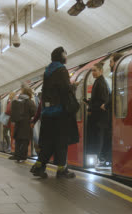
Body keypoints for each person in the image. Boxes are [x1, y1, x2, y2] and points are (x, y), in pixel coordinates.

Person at [30, 47, 78, 179]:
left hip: (47, 113)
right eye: (65, 54)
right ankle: (62, 170)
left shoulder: (48, 71)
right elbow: (64, 89)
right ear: (61, 56)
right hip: (59, 112)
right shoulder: (61, 70)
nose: (66, 56)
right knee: (61, 142)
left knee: (48, 142)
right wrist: (73, 87)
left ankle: (39, 167)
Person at [85, 62, 111, 167]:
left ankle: (100, 158)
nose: (93, 72)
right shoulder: (99, 82)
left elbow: (102, 101)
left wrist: (91, 106)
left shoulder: (100, 83)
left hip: (99, 118)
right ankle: (99, 157)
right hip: (98, 117)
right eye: (92, 70)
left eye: (95, 70)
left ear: (101, 71)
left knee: (98, 138)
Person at [9, 85, 37, 162]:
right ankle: (22, 157)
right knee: (25, 141)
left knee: (18, 141)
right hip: (26, 124)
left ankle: (17, 156)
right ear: (29, 93)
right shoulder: (30, 102)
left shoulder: (17, 100)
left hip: (18, 124)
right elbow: (34, 112)